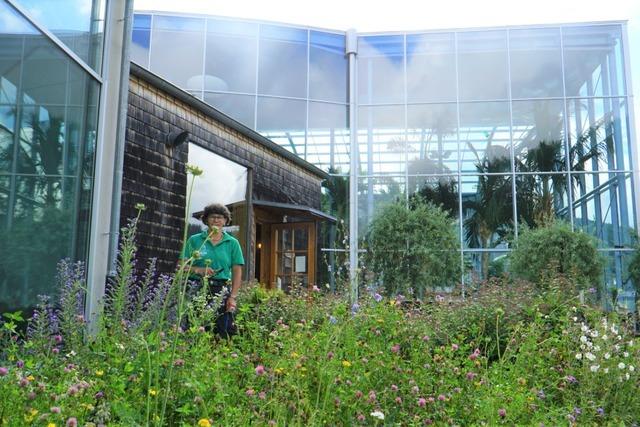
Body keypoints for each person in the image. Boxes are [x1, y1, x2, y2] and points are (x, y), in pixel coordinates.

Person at [180, 203, 244, 337]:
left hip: (221, 290)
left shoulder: (232, 243)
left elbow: (237, 271)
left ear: (226, 221)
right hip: (196, 287)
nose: (216, 220)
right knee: (195, 326)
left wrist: (233, 297)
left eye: (220, 217)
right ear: (206, 219)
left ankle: (218, 355)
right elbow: (181, 266)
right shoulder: (195, 240)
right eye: (212, 217)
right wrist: (199, 270)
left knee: (222, 329)